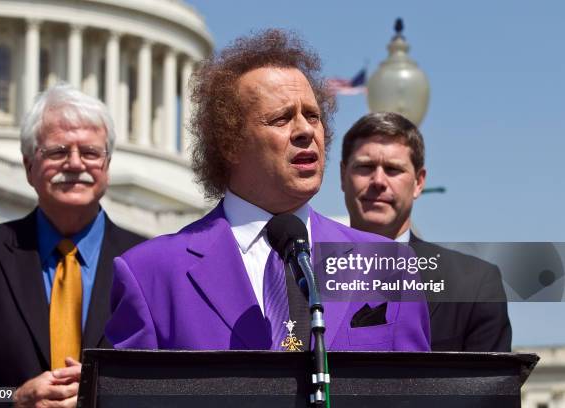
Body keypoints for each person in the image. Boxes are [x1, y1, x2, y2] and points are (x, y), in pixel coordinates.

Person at [106, 30, 430, 352]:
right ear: (229, 142)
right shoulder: (151, 275)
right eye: (281, 118)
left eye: (313, 116)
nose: (305, 130)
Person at [0, 84, 145, 406]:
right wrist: (12, 398)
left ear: (107, 167)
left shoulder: (149, 263)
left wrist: (107, 394)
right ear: (29, 166)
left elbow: (175, 386)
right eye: (57, 152)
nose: (74, 164)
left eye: (90, 153)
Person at [340, 111, 511, 351]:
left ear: (419, 182)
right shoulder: (302, 274)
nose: (378, 180)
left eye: (393, 169)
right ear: (342, 175)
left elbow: (486, 386)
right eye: (365, 167)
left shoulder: (474, 287)